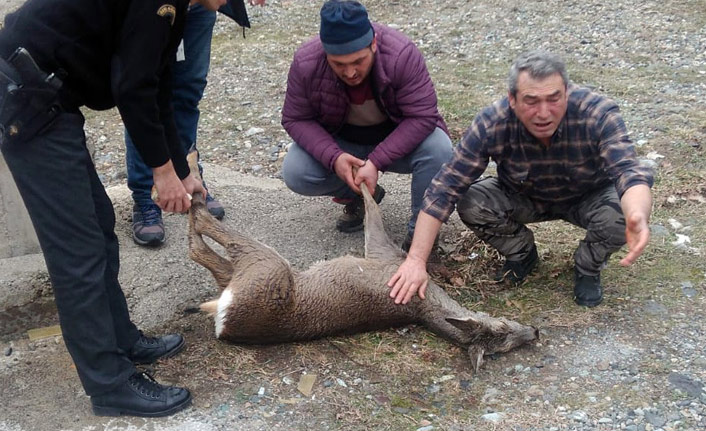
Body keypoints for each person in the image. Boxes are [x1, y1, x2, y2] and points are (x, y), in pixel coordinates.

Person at [0, 0, 226, 417]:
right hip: (25, 95)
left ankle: (120, 339)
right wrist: (162, 175)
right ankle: (109, 382)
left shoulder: (176, 8)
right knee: (77, 250)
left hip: (50, 95)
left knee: (99, 225)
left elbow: (155, 83)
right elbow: (132, 88)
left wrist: (181, 168)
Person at [388, 50, 654, 308]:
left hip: (588, 196)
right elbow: (444, 189)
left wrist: (637, 215)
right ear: (512, 99)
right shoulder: (492, 123)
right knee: (472, 202)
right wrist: (415, 260)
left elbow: (628, 172)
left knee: (621, 212)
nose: (543, 112)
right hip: (524, 196)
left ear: (567, 93)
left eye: (554, 99)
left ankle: (588, 267)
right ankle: (522, 253)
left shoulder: (598, 113)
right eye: (531, 101)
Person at [281, 0, 453, 245]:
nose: (350, 72)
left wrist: (377, 161)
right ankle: (360, 195)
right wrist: (334, 158)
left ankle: (422, 235)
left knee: (439, 148)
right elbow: (295, 118)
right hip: (344, 145)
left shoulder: (401, 54)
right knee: (296, 171)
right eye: (339, 64)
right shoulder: (306, 62)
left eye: (358, 61)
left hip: (396, 141)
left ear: (373, 43)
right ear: (325, 52)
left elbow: (423, 116)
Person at [128, 0, 265, 247]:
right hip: (151, 5)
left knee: (189, 88)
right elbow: (134, 90)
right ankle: (146, 193)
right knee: (145, 90)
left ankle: (187, 177)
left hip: (197, 8)